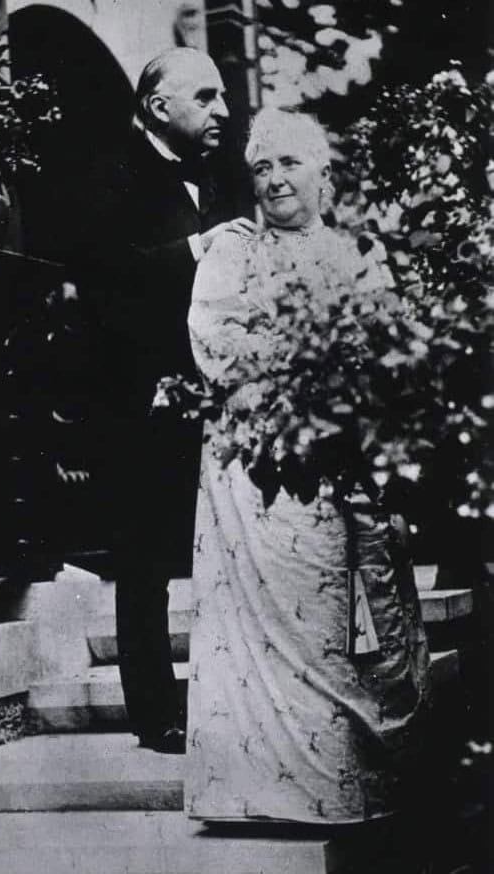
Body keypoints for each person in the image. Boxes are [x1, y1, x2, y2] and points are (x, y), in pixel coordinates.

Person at [184, 109, 432, 822]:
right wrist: (306, 369)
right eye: (260, 167)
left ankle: (364, 791)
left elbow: (392, 355)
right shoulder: (230, 251)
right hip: (261, 467)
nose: (273, 179)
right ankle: (273, 795)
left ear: (322, 174)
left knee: (369, 619)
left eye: (288, 163)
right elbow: (214, 344)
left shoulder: (359, 255)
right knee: (287, 618)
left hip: (348, 460)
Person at [84, 48, 255, 754]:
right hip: (140, 399)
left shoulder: (219, 177)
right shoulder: (108, 173)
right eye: (207, 98)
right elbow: (101, 276)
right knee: (146, 560)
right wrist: (198, 248)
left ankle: (237, 698)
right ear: (159, 107)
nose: (222, 111)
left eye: (222, 98)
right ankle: (153, 712)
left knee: (232, 548)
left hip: (218, 398)